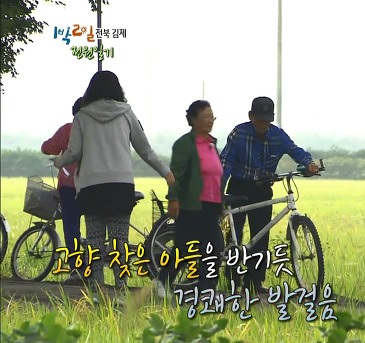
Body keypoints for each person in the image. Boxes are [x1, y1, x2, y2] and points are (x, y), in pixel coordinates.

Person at [53, 70, 175, 305]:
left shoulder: (82, 116)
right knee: (120, 241)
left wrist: (59, 161)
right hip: (120, 186)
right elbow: (145, 149)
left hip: (91, 187)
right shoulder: (127, 113)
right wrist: (166, 172)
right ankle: (120, 292)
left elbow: (74, 152)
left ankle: (97, 293)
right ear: (118, 89)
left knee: (95, 241)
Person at [219, 96, 320, 295]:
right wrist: (219, 190)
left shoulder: (277, 135)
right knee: (234, 234)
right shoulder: (239, 133)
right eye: (259, 120)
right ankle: (232, 277)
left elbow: (295, 150)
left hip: (263, 189)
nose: (263, 125)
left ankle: (255, 281)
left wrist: (308, 163)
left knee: (261, 234)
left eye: (267, 120)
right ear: (251, 116)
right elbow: (225, 163)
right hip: (239, 186)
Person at [153, 100, 225, 299]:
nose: (210, 121)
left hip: (211, 206)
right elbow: (176, 174)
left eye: (212, 117)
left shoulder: (211, 144)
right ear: (193, 120)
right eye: (205, 117)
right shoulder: (185, 144)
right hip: (191, 205)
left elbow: (216, 175)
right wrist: (173, 198)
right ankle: (161, 281)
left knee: (214, 247)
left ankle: (206, 288)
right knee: (184, 249)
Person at [41, 97, 85, 284]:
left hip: (69, 185)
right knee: (95, 227)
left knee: (71, 227)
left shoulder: (69, 129)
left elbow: (47, 147)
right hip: (93, 184)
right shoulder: (96, 132)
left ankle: (76, 270)